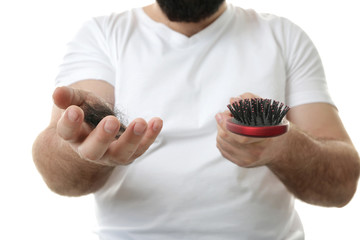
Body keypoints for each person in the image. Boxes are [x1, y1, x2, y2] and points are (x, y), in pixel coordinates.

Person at [32, 0, 360, 239]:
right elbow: (58, 173)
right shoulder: (102, 35)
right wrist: (80, 148)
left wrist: (285, 147)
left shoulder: (284, 36)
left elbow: (342, 184)